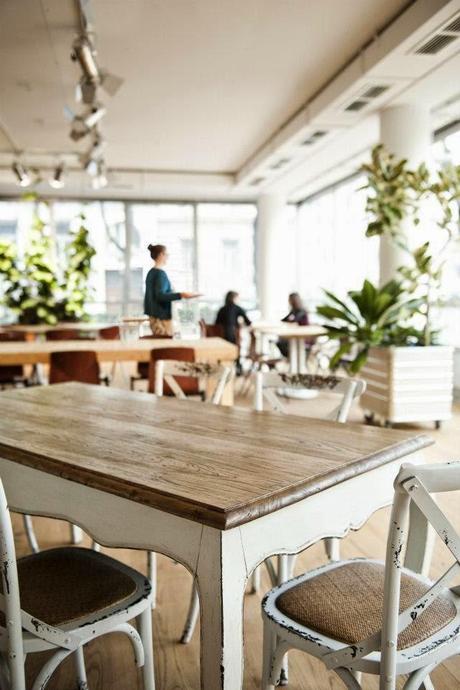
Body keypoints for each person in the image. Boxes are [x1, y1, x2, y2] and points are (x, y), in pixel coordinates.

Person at [144, 244, 199, 336]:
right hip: (161, 319)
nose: (168, 257)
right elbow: (160, 296)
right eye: (167, 254)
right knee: (166, 346)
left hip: (153, 316)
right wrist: (181, 295)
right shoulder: (160, 274)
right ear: (161, 255)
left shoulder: (150, 273)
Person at [278, 292, 309, 358]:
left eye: (290, 299)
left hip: (304, 336)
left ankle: (292, 359)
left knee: (282, 342)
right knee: (280, 341)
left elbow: (295, 320)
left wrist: (290, 321)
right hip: (297, 334)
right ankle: (291, 359)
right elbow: (285, 319)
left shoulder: (302, 310)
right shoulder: (294, 310)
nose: (289, 301)